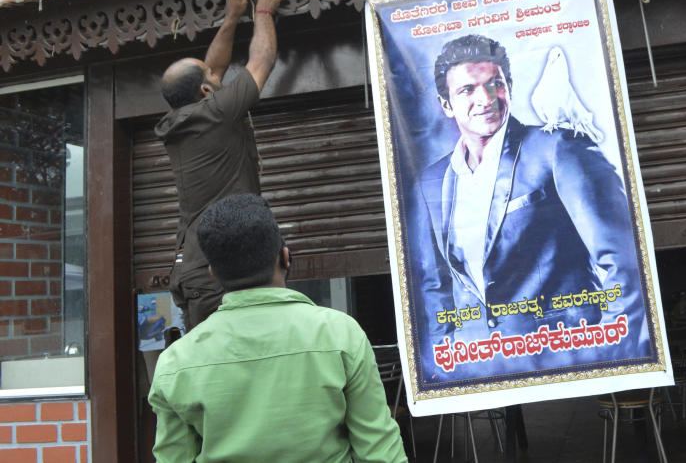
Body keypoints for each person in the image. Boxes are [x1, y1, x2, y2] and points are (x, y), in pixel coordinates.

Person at [416, 34, 649, 377]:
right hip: (477, 364)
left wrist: (610, 348)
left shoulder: (557, 148)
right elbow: (435, 282)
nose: (486, 98)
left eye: (495, 83)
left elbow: (622, 258)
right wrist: (445, 353)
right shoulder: (432, 180)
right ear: (446, 104)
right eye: (467, 90)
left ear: (509, 86)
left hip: (563, 356)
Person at [148, 193, 408, 463]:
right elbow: (380, 452)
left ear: (213, 272)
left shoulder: (176, 363)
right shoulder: (341, 335)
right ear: (285, 258)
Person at [155, 0, 283, 332]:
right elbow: (261, 61)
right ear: (205, 91)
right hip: (220, 277)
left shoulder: (185, 120)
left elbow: (211, 67)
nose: (218, 72)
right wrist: (263, 12)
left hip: (197, 274)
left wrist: (231, 17)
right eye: (212, 77)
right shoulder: (217, 112)